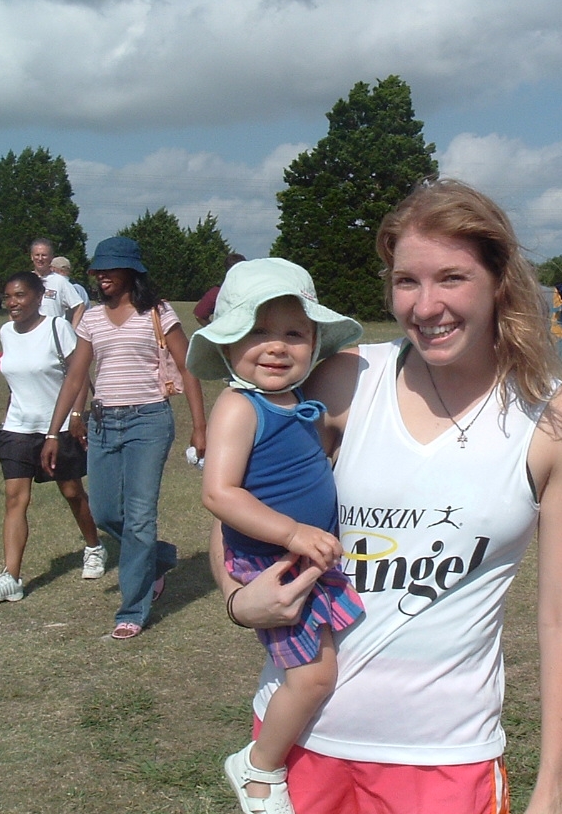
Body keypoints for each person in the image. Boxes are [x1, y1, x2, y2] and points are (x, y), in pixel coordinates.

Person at [215, 181, 562, 814]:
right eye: (405, 282)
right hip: (302, 748)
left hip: (444, 761)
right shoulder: (347, 380)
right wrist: (237, 601)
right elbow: (238, 505)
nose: (426, 306)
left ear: (499, 280)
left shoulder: (558, 423)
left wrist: (553, 788)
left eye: (451, 278)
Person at [188, 258, 365, 814]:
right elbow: (219, 494)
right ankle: (259, 767)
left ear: (314, 345)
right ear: (226, 346)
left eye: (294, 334)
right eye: (256, 332)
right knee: (314, 679)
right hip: (272, 567)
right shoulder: (239, 406)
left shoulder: (298, 402)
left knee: (335, 660)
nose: (275, 346)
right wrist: (292, 531)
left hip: (308, 560)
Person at [43, 236, 207, 639]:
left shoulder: (157, 311)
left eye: (110, 269)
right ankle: (159, 555)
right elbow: (77, 376)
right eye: (98, 270)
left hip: (148, 422)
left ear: (131, 272)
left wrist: (200, 426)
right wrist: (55, 430)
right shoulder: (93, 319)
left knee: (138, 516)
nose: (101, 277)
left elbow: (188, 369)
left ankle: (133, 608)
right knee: (103, 512)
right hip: (102, 424)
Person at [0, 271, 104, 603]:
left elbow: (78, 374)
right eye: (8, 297)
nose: (12, 303)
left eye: (19, 296)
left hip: (58, 428)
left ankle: (93, 547)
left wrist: (76, 416)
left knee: (73, 492)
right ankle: (11, 577)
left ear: (37, 297)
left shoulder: (57, 328)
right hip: (18, 428)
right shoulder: (6, 332)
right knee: (15, 500)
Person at [30, 238, 85, 327]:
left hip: (52, 336)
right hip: (30, 334)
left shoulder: (60, 281)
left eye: (44, 255)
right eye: (37, 255)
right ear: (32, 256)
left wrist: (71, 331)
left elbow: (79, 306)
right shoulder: (25, 280)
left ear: (51, 257)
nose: (40, 259)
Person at [194, 252, 247, 325]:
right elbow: (199, 314)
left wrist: (214, 331)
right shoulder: (253, 289)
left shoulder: (217, 291)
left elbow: (199, 315)